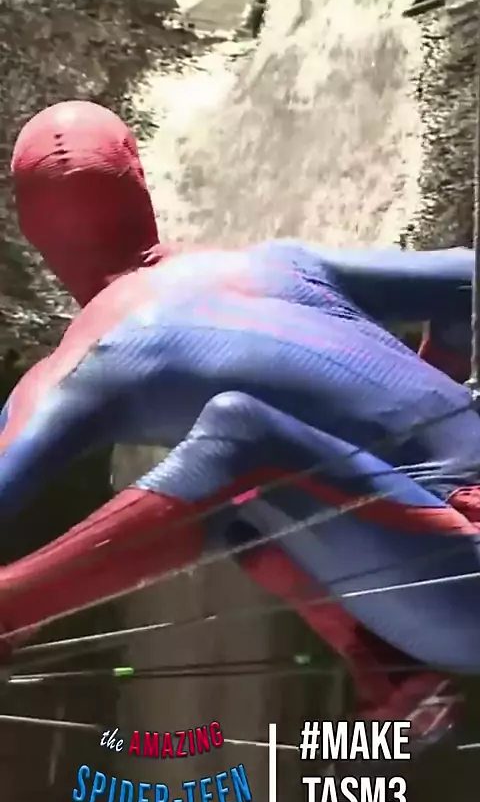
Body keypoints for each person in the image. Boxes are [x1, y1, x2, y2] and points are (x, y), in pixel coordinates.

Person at [6, 101, 478, 752]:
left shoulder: (79, 366)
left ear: (31, 230)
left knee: (242, 441)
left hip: (460, 591)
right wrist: (437, 383)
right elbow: (465, 280)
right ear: (139, 183)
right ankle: (382, 661)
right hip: (441, 548)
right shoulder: (277, 265)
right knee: (243, 511)